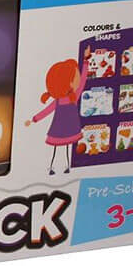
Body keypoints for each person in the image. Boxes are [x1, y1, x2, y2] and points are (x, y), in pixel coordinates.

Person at [25, 47, 90, 175]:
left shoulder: (72, 97)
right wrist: (33, 120)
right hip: (63, 128)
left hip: (65, 128)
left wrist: (86, 61)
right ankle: (52, 167)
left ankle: (65, 167)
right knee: (59, 148)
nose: (78, 80)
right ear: (70, 83)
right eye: (75, 77)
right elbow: (46, 111)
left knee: (65, 148)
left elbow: (82, 80)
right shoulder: (63, 100)